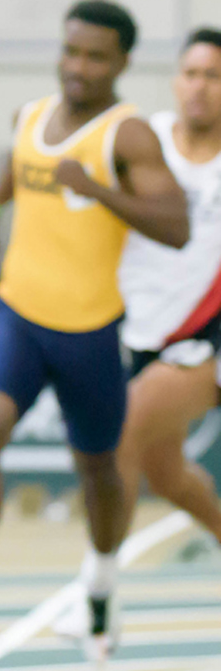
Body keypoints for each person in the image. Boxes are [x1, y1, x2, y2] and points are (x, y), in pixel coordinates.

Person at [0, 0, 189, 668]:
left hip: (90, 331)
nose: (78, 67)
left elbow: (176, 226)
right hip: (16, 314)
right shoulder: (31, 116)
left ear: (122, 62)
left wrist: (99, 191)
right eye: (71, 51)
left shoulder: (129, 137)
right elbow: (12, 177)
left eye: (96, 56)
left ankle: (100, 586)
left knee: (98, 468)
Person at [107, 31, 221, 546]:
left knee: (121, 432)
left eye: (213, 76)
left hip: (204, 337)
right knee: (166, 474)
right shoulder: (145, 141)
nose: (200, 87)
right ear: (176, 81)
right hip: (140, 329)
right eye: (192, 74)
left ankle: (98, 583)